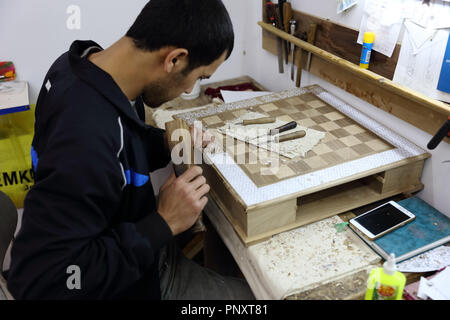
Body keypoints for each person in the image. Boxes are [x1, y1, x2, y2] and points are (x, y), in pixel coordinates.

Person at [8, 0, 254, 300]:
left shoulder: (86, 68)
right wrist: (163, 223)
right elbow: (48, 282)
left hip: (138, 244)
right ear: (174, 59)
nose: (191, 90)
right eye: (199, 77)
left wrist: (164, 143)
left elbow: (119, 146)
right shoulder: (85, 138)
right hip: (133, 282)